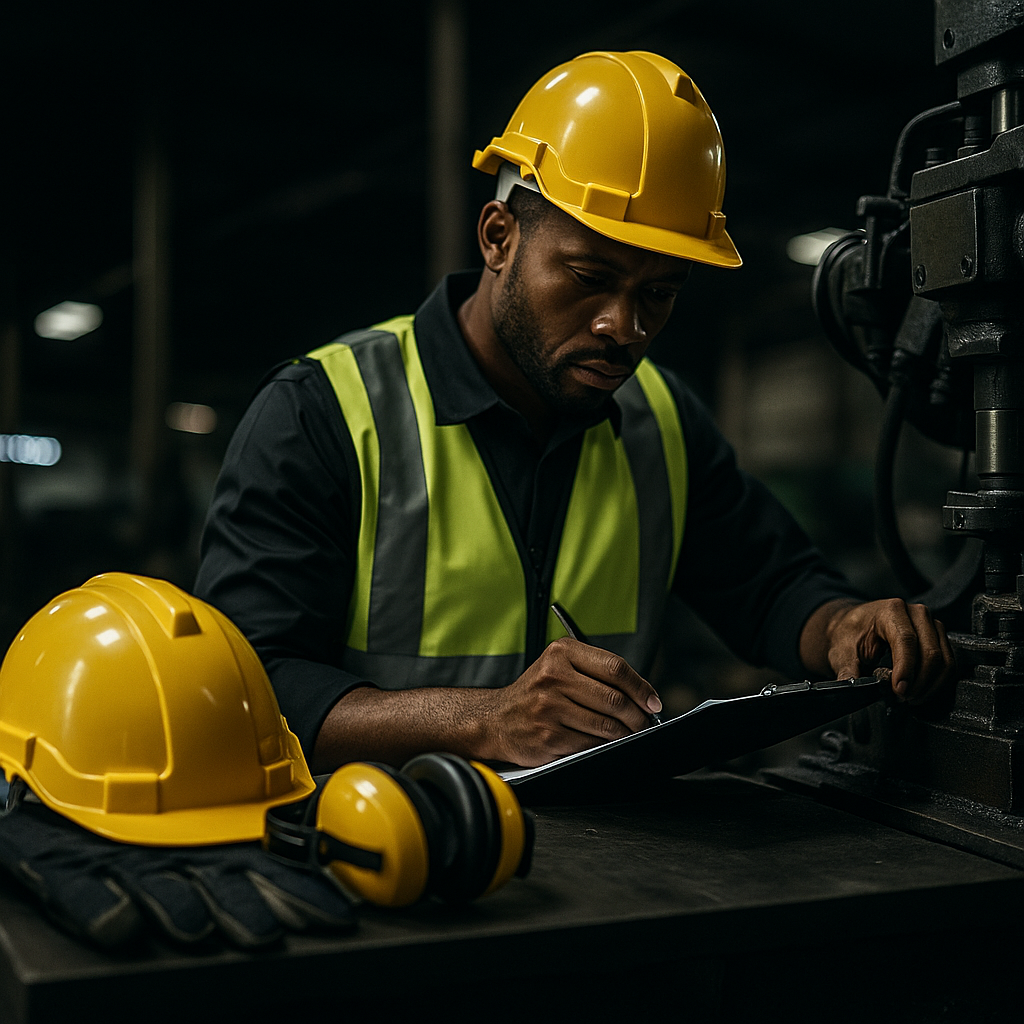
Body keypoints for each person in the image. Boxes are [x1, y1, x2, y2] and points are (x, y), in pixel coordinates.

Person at [194, 50, 955, 774]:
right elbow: (244, 690)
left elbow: (773, 587)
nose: (624, 327)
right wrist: (484, 719)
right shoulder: (322, 413)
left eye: (659, 294)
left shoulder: (661, 421)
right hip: (383, 861)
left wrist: (844, 628)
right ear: (500, 239)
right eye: (590, 277)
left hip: (609, 865)